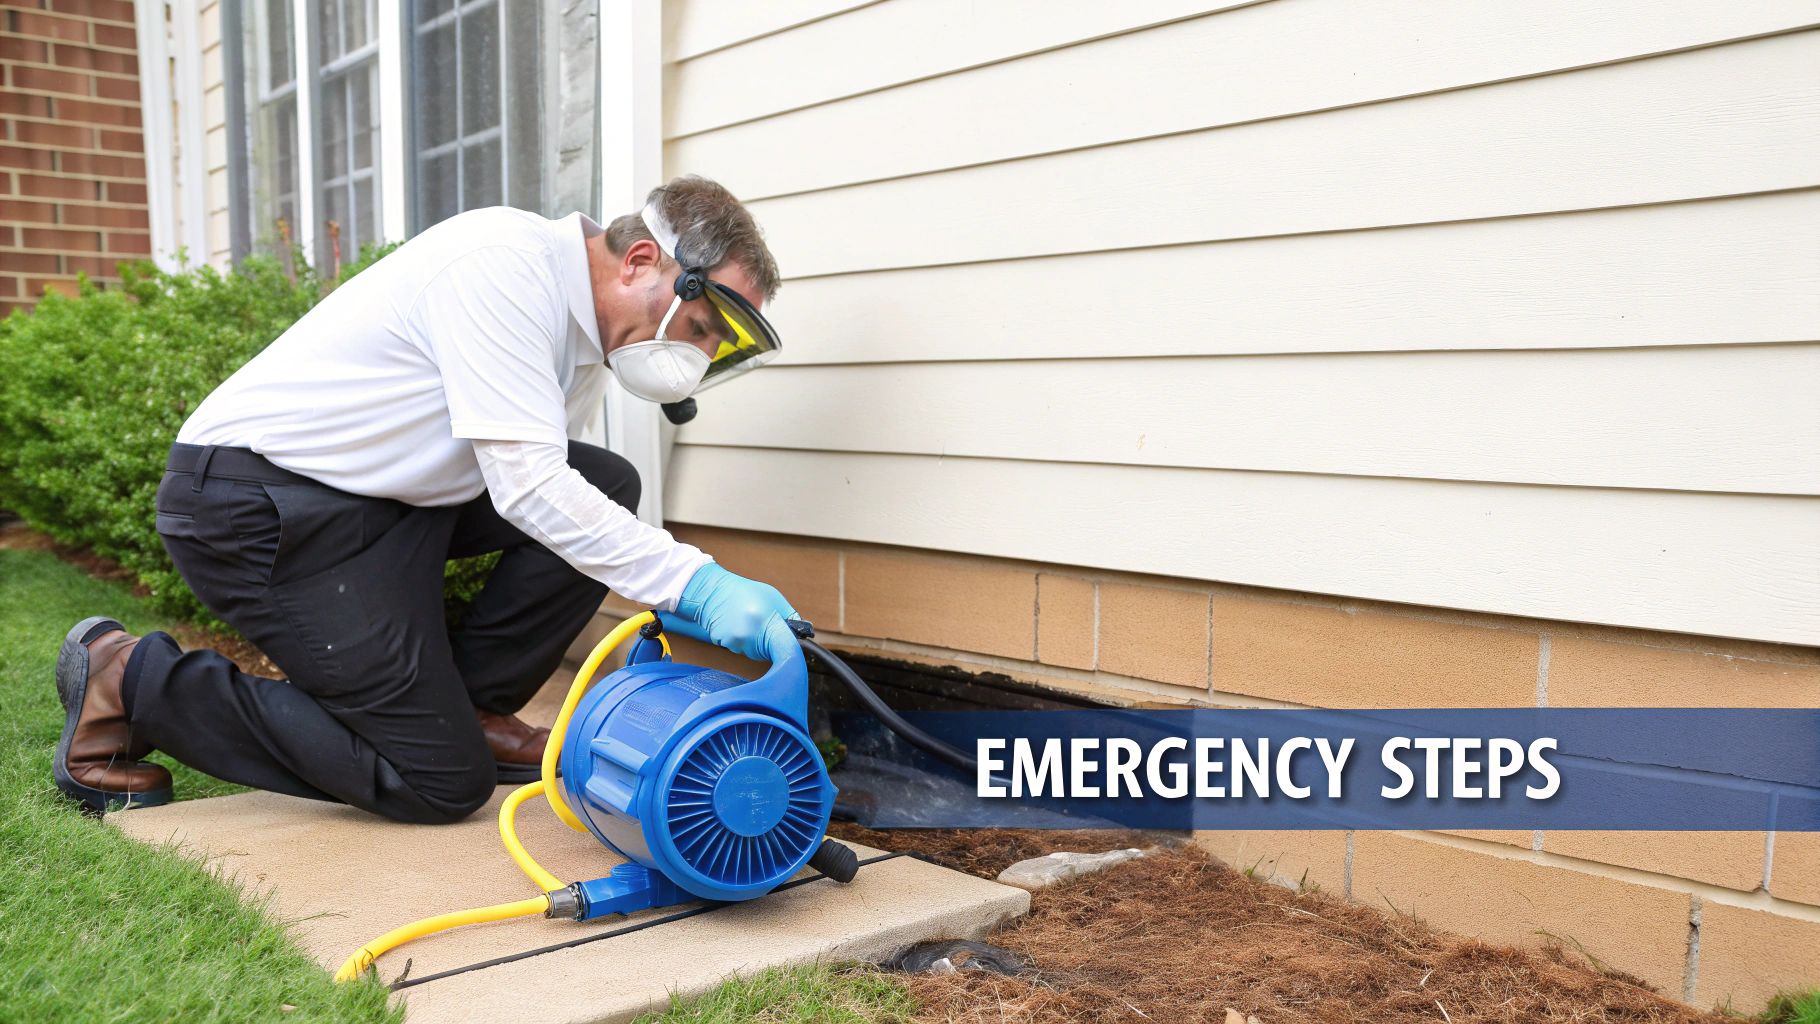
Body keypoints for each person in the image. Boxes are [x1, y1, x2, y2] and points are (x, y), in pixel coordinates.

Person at [51, 176, 800, 823]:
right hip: (259, 504)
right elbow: (530, 488)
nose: (696, 355)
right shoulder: (504, 268)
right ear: (642, 261)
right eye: (701, 327)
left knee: (606, 481)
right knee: (437, 780)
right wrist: (695, 584)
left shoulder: (586, 337)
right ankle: (131, 680)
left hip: (379, 503)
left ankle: (470, 707)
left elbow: (541, 488)